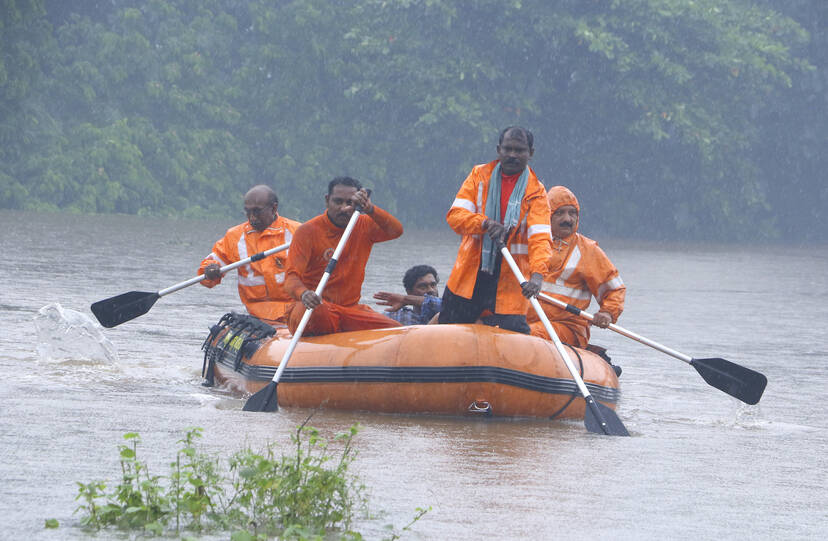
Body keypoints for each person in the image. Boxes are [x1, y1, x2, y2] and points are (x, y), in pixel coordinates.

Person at [438, 126, 553, 333]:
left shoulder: (537, 193)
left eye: (519, 150)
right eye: (507, 149)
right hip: (470, 274)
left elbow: (540, 239)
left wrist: (537, 277)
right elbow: (455, 217)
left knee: (513, 340)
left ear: (531, 153)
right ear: (498, 149)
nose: (512, 155)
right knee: (448, 332)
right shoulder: (479, 175)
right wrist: (485, 224)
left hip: (511, 279)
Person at [284, 176, 404, 335]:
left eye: (350, 203)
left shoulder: (365, 225)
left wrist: (370, 209)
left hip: (350, 311)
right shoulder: (307, 231)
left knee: (397, 332)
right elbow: (291, 278)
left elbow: (396, 231)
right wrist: (304, 294)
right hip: (313, 308)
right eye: (338, 202)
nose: (343, 208)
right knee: (318, 311)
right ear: (327, 200)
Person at [527, 185, 626, 347]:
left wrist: (607, 312)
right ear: (547, 215)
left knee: (529, 334)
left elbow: (614, 288)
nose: (567, 219)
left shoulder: (588, 250)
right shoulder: (530, 243)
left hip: (566, 326)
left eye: (572, 213)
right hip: (522, 320)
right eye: (560, 213)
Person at [198, 185, 301, 324]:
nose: (252, 217)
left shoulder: (298, 233)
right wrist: (210, 270)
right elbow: (209, 269)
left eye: (257, 211)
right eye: (248, 212)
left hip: (296, 313)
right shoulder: (234, 236)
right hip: (257, 317)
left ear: (274, 208)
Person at [373, 265, 442, 325]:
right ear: (409, 292)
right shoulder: (396, 316)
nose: (431, 290)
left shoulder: (447, 313)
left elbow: (447, 304)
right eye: (423, 287)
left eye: (433, 285)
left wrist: (405, 299)